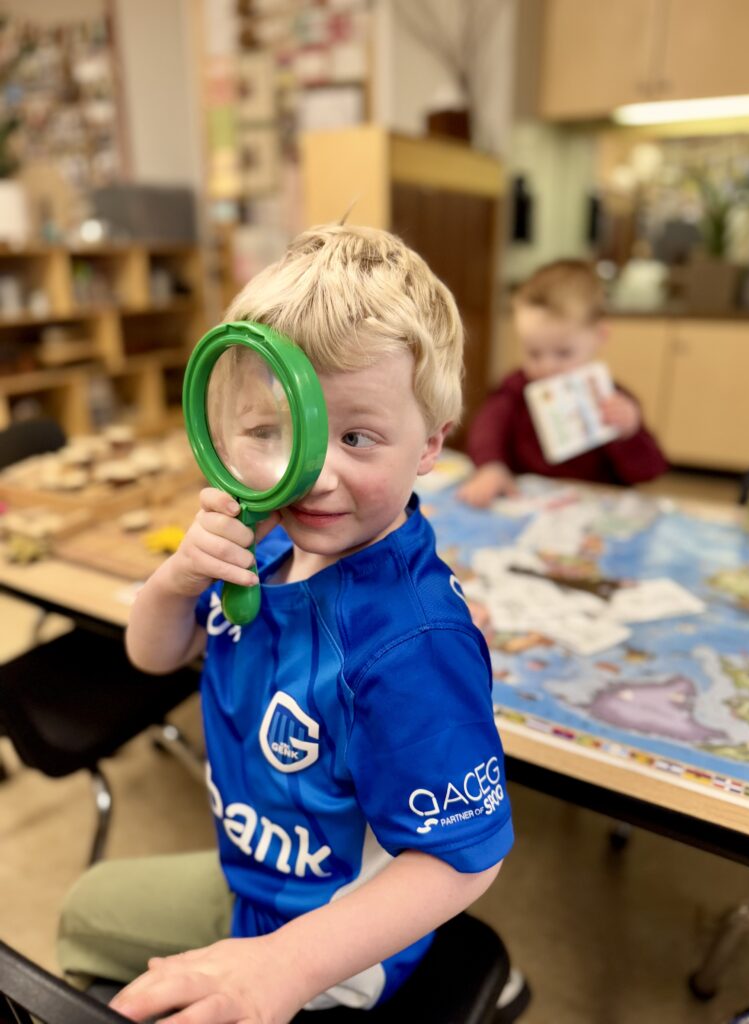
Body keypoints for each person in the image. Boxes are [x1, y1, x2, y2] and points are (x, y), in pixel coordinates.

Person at [57, 225, 519, 1024]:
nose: (311, 473)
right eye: (273, 431)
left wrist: (285, 965)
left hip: (334, 943)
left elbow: (465, 859)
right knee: (83, 910)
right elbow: (154, 654)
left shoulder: (415, 645)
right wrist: (176, 579)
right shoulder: (269, 546)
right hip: (255, 877)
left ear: (430, 447)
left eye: (356, 436)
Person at [457, 258, 667, 507]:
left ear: (599, 336)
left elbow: (649, 471)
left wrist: (629, 433)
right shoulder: (515, 390)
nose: (547, 367)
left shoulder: (614, 400)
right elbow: (486, 429)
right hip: (530, 503)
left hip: (592, 510)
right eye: (534, 353)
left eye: (563, 353)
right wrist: (491, 466)